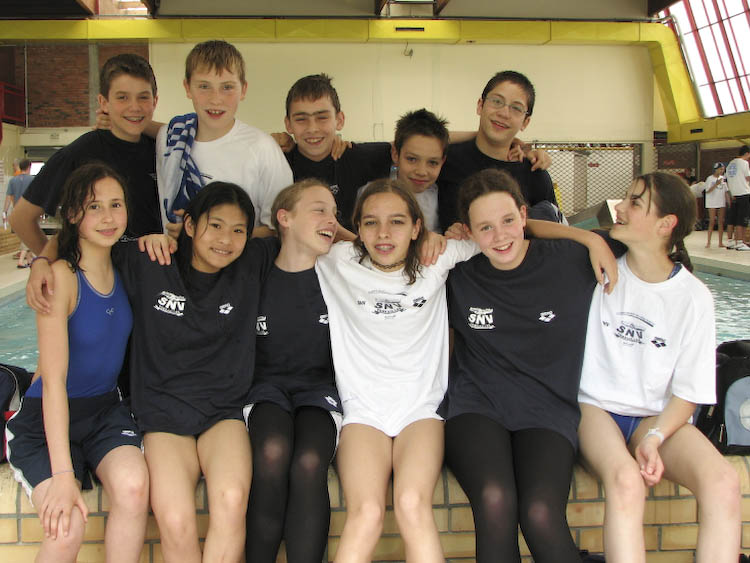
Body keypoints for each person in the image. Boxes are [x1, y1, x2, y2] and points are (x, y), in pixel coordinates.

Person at [439, 168, 618, 563]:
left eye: (508, 220)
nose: (500, 236)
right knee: (495, 499)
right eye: (485, 227)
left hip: (547, 408)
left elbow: (643, 239)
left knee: (540, 512)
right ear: (468, 231)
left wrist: (589, 237)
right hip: (477, 405)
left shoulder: (570, 260)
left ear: (524, 215)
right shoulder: (457, 272)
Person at [577, 172, 741, 563]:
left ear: (666, 224)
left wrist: (654, 437)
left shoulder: (693, 297)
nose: (620, 207)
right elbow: (527, 227)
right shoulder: (597, 269)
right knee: (626, 481)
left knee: (723, 481)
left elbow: (689, 391)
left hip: (655, 416)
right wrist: (589, 240)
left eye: (635, 202)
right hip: (594, 409)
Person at [314, 179, 479, 562]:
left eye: (397, 222)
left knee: (411, 504)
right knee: (367, 513)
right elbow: (286, 232)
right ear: (358, 228)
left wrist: (590, 239)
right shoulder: (337, 260)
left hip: (420, 410)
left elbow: (505, 234)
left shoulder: (436, 259)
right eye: (371, 222)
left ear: (417, 227)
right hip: (363, 412)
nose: (384, 233)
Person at [6, 163, 149, 563]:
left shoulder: (123, 265)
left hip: (104, 412)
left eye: (116, 204)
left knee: (135, 488)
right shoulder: (61, 278)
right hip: (46, 421)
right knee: (66, 526)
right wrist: (63, 475)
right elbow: (53, 382)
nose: (108, 217)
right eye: (94, 207)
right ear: (72, 214)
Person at [245, 179, 341, 563]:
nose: (332, 220)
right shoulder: (254, 267)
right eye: (320, 210)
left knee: (309, 462)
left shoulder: (342, 270)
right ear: (284, 218)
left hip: (319, 389)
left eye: (335, 213)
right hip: (266, 388)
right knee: (272, 452)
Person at [10, 54, 162, 257]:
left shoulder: (163, 150)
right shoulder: (79, 153)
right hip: (99, 272)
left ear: (155, 101)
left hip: (153, 271)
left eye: (143, 97)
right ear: (103, 103)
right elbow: (21, 218)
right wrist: (52, 263)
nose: (134, 107)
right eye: (122, 97)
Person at [157, 40, 292, 240]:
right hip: (175, 257)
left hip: (239, 259)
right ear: (187, 87)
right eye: (204, 86)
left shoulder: (263, 148)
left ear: (243, 89)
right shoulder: (169, 137)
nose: (215, 99)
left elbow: (281, 229)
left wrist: (206, 236)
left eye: (227, 87)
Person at [437, 70, 560, 232]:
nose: (504, 113)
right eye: (496, 101)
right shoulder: (446, 160)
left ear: (525, 122)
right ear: (480, 105)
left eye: (516, 108)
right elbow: (409, 141)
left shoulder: (534, 173)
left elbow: (554, 229)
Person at [4, 158, 34, 267]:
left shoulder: (13, 181)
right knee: (29, 235)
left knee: (26, 234)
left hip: (17, 211)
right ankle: (21, 260)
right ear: (29, 167)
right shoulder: (33, 180)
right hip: (29, 211)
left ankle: (29, 260)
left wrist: (4, 212)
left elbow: (8, 197)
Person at [725, 145, 750, 250]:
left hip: (734, 195)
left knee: (732, 219)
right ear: (747, 153)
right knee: (742, 219)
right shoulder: (744, 163)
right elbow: (748, 178)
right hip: (744, 193)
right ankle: (740, 242)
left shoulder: (730, 164)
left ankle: (731, 241)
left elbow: (727, 179)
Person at [704, 162, 730, 248]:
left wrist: (728, 201)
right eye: (720, 169)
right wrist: (716, 184)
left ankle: (720, 242)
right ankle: (708, 242)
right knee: (712, 221)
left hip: (721, 202)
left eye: (723, 169)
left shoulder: (723, 178)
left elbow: (726, 191)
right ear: (716, 169)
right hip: (712, 203)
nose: (722, 171)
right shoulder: (709, 179)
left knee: (721, 222)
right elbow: (707, 191)